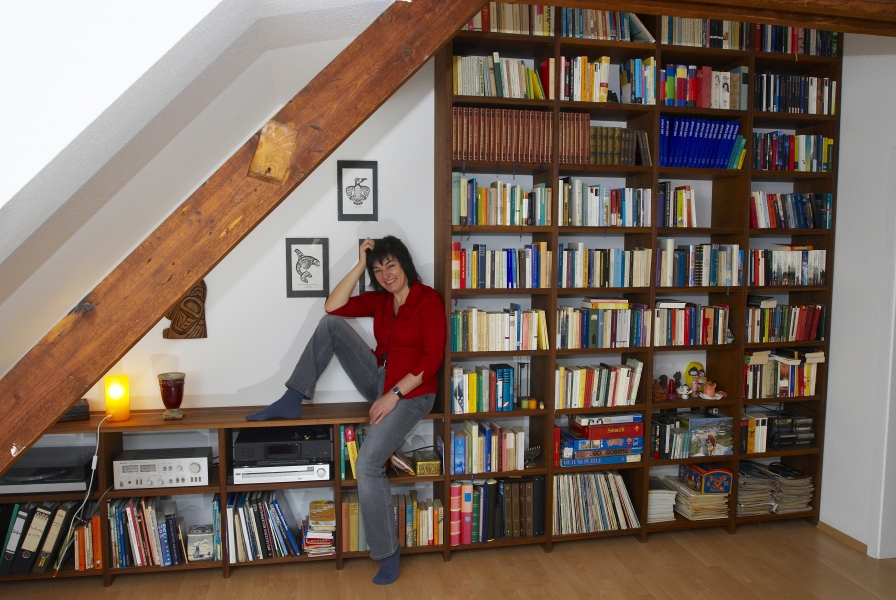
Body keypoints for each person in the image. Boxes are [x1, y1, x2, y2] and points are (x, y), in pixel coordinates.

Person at [246, 236, 446, 585]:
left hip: (413, 393)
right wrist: (359, 264)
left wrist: (393, 395)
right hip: (379, 380)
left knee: (367, 465)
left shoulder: (428, 300)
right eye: (377, 270)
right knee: (330, 326)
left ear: (404, 263)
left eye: (391, 266)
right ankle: (293, 397)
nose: (385, 275)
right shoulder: (381, 301)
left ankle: (387, 551)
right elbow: (332, 306)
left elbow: (433, 359)